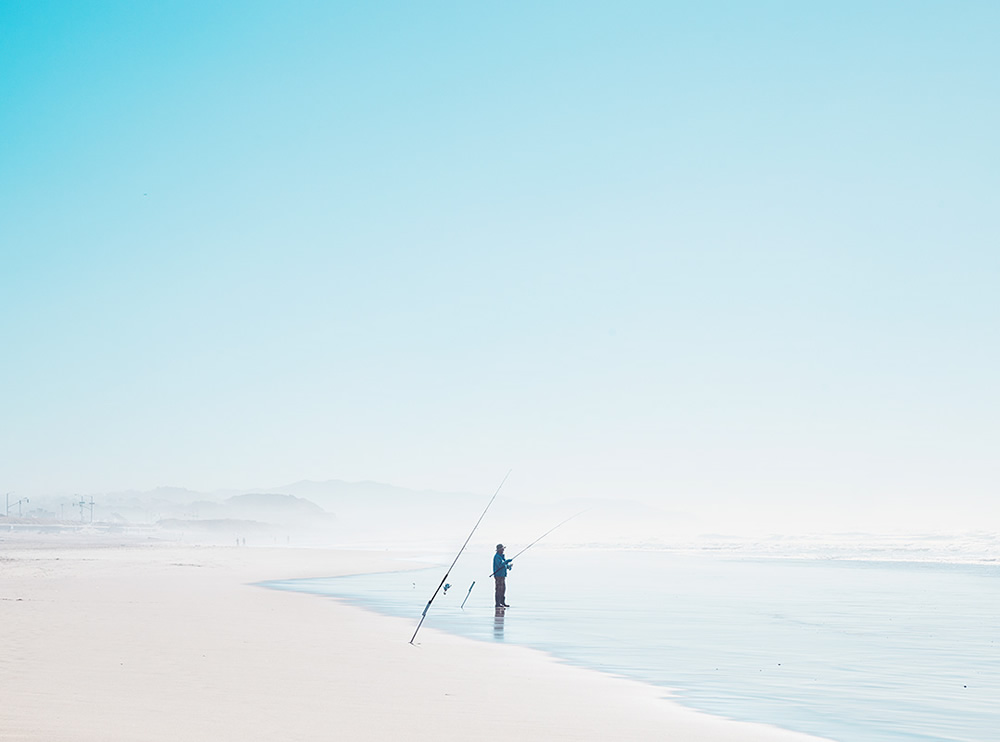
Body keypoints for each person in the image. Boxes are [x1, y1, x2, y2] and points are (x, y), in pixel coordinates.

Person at [493, 543, 512, 607]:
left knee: (503, 589)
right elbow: (500, 565)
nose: (503, 550)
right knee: (498, 589)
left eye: (503, 549)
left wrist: (508, 566)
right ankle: (497, 603)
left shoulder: (502, 557)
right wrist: (506, 562)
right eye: (502, 549)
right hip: (498, 576)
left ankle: (502, 602)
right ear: (498, 550)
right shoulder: (497, 557)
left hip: (503, 576)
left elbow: (504, 565)